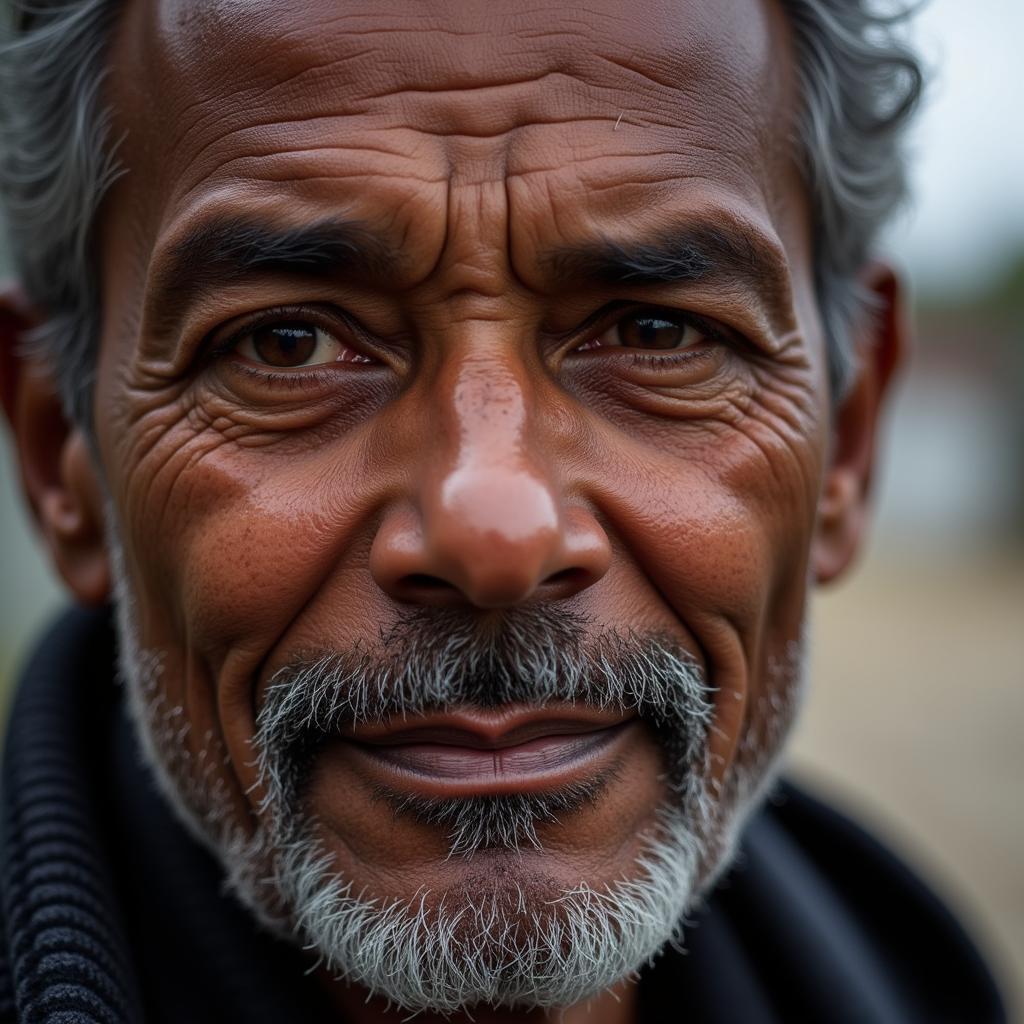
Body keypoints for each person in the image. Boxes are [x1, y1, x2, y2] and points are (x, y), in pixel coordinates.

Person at [0, 0, 1007, 1021]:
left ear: (850, 436)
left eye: (658, 334)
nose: (495, 535)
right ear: (61, 462)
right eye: (287, 344)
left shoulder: (922, 977)